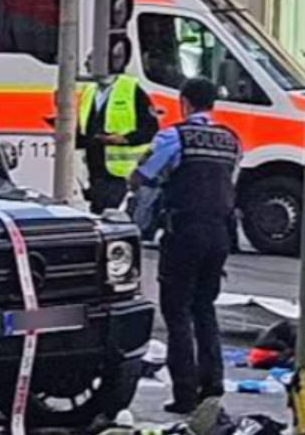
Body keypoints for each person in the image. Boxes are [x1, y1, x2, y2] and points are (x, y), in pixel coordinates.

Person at [132, 77, 241, 415]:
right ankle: (213, 384)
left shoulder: (174, 136)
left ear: (184, 102)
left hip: (185, 230)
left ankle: (184, 393)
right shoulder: (230, 140)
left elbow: (145, 174)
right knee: (204, 308)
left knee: (176, 311)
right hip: (220, 234)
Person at [77, 73, 158, 215]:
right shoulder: (89, 90)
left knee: (113, 220)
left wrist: (125, 139)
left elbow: (150, 129)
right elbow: (85, 130)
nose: (87, 63)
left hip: (120, 174)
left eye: (92, 58)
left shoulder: (131, 89)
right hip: (94, 171)